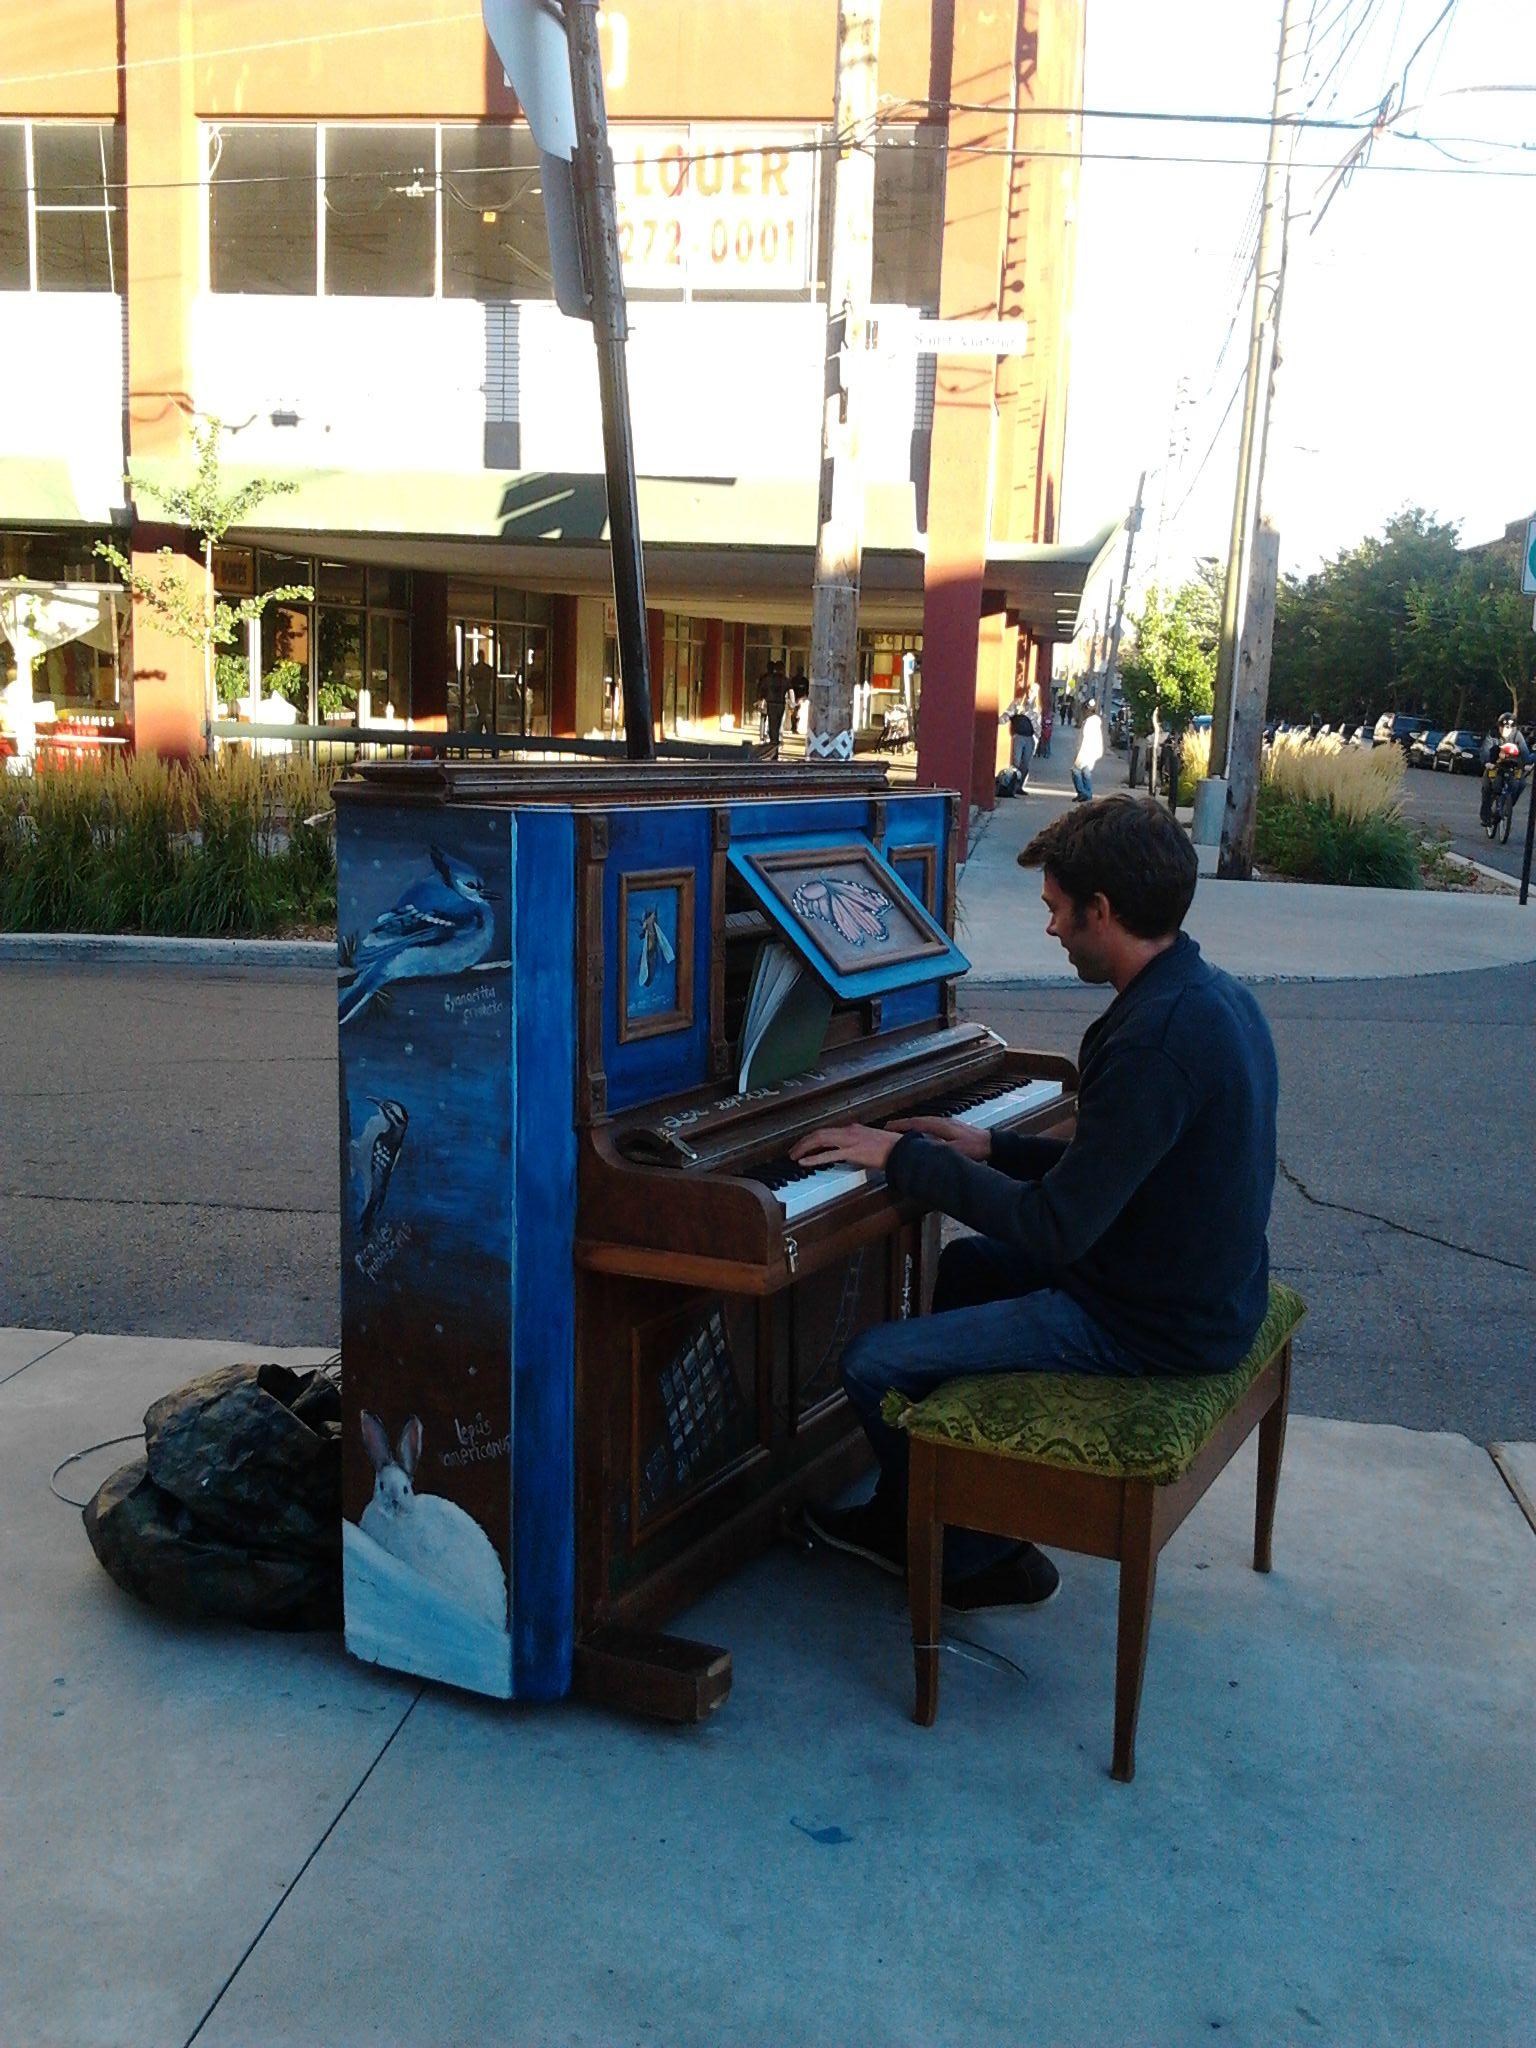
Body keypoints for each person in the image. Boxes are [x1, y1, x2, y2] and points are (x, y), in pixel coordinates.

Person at [792, 796, 1278, 1611]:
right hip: (1193, 1286)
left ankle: (963, 1554)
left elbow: (1056, 1230)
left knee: (872, 1362)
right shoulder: (1207, 996)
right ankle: (943, 1505)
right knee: (969, 1265)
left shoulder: (1155, 1042)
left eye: (1057, 910)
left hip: (1153, 1325)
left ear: (1103, 910)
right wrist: (994, 1146)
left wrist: (905, 1156)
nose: (1050, 929)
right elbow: (1127, 1169)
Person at [1480, 713, 1532, 826]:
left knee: (1521, 783)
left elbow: (1524, 750)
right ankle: (1485, 816)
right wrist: (1487, 762)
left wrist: (1527, 763)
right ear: (1499, 726)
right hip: (1495, 766)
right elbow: (1486, 749)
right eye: (1503, 726)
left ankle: (1507, 807)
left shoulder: (1517, 735)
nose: (1506, 729)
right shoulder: (1493, 735)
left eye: (1510, 726)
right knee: (1487, 787)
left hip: (1512, 766)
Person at [1071, 695, 1104, 802]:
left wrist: (1079, 753)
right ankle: (1087, 793)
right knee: (1086, 772)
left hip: (1086, 751)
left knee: (1075, 771)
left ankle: (1084, 792)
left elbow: (1085, 739)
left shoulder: (1089, 722)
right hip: (1093, 751)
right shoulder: (1095, 721)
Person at [1002, 688, 1036, 788]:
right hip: (1019, 736)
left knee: (1025, 764)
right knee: (1016, 762)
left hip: (1030, 737)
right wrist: (997, 721)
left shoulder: (1036, 707)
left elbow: (1038, 724)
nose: (1032, 694)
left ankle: (1019, 786)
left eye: (1034, 692)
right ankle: (1012, 785)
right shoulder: (1018, 703)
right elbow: (1008, 714)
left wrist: (1037, 738)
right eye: (1031, 691)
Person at [759, 662, 789, 756]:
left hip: (771, 704)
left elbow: (762, 691)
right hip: (780, 705)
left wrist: (761, 700)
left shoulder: (768, 679)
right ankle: (775, 747)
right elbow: (790, 689)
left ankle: (773, 747)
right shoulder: (785, 680)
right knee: (778, 726)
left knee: (772, 726)